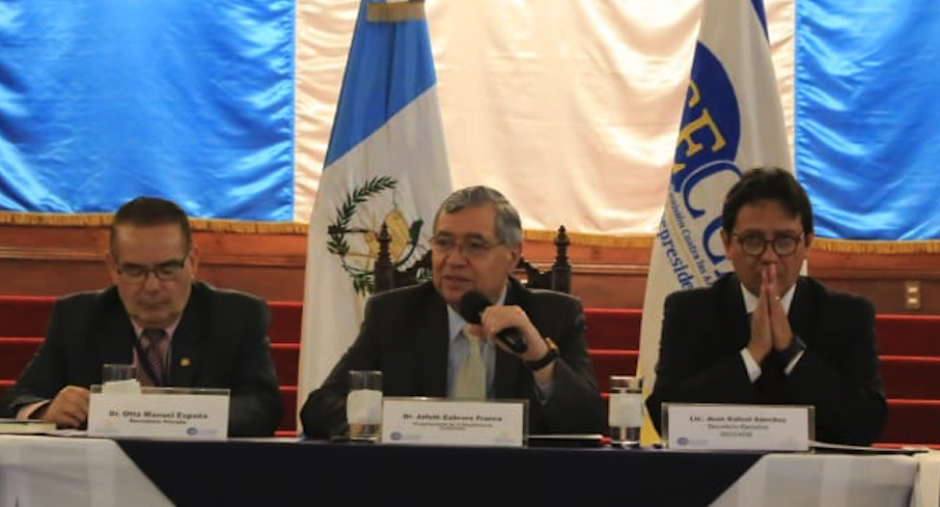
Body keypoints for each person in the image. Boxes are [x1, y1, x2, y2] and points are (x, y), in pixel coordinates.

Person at [300, 186, 605, 439]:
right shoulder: (394, 314)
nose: (454, 260)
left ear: (512, 256)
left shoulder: (554, 315)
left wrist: (540, 358)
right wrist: (389, 422)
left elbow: (589, 424)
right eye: (444, 243)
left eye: (475, 246)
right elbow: (320, 407)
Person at [0, 197, 282, 437]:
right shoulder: (78, 317)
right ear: (112, 267)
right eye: (135, 271)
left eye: (167, 269)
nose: (152, 286)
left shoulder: (236, 316)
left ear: (192, 261)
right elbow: (18, 400)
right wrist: (46, 411)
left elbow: (263, 408)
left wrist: (170, 415)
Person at [646, 167, 887, 445]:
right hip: (718, 471)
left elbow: (867, 424)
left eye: (784, 241)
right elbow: (665, 416)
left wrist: (792, 351)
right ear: (727, 243)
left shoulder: (847, 315)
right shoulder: (690, 312)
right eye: (753, 240)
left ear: (807, 243)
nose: (769, 256)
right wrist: (752, 356)